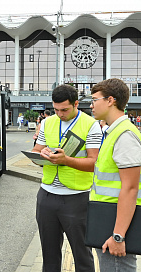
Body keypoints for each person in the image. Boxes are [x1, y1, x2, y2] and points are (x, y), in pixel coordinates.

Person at [32, 84, 102, 272]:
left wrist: (66, 160)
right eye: (56, 109)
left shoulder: (91, 125)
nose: (60, 114)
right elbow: (36, 152)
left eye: (64, 109)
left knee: (82, 255)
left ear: (76, 104)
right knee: (49, 255)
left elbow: (94, 163)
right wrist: (42, 155)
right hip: (46, 196)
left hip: (77, 198)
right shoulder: (47, 122)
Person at [90, 78, 141, 272]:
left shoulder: (124, 135)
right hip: (108, 219)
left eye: (95, 99)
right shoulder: (113, 132)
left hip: (117, 226)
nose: (91, 105)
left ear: (110, 100)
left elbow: (130, 188)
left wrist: (118, 236)